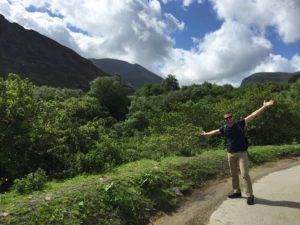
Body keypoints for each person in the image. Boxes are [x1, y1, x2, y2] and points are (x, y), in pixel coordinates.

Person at [200, 100, 274, 205]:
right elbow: (216, 131)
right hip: (231, 154)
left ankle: (250, 195)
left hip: (242, 153)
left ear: (232, 117)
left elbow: (252, 115)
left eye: (230, 117)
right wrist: (206, 133)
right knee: (234, 174)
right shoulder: (225, 128)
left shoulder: (240, 124)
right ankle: (237, 191)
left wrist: (264, 107)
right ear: (225, 120)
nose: (228, 119)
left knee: (244, 174)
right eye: (226, 118)